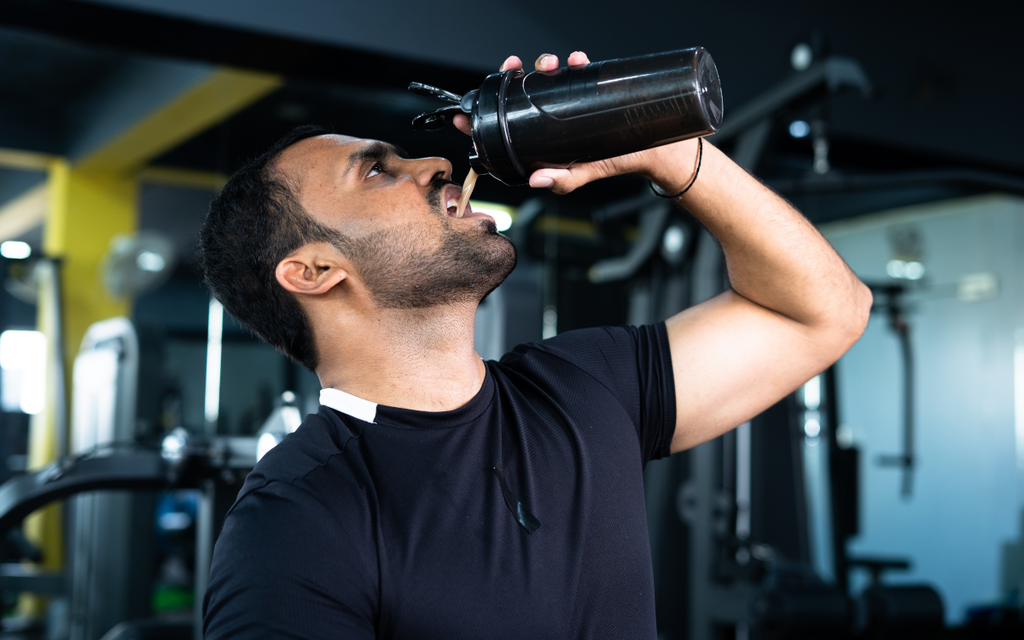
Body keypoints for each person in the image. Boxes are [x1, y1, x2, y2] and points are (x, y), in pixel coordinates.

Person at [200, 51, 872, 639]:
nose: (435, 162)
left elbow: (825, 311)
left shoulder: (584, 386)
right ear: (314, 272)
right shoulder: (295, 521)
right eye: (376, 172)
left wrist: (663, 153)